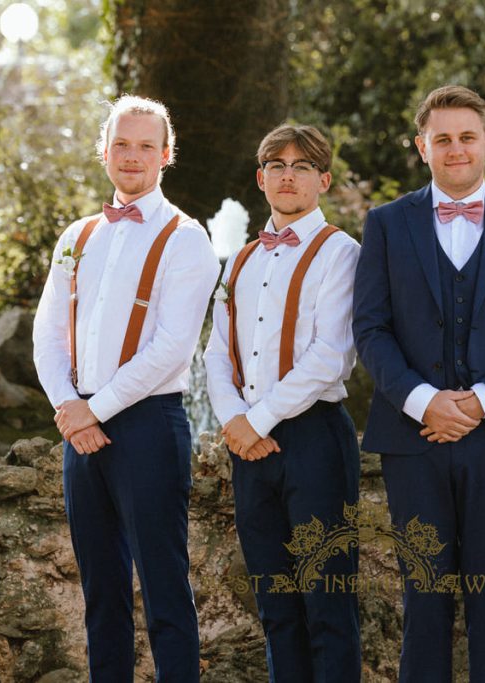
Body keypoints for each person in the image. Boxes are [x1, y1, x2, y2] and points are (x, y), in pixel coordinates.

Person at [352, 84, 485, 682]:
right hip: (412, 441)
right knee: (424, 598)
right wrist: (425, 401)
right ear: (423, 147)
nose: (456, 149)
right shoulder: (388, 225)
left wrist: (481, 401)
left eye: (467, 137)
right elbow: (370, 328)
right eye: (442, 139)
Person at [32, 94, 219, 681]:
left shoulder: (187, 238)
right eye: (121, 144)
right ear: (103, 151)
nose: (132, 156)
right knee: (100, 591)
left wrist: (93, 411)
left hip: (149, 425)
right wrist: (68, 405)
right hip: (78, 423)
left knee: (165, 590)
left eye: (145, 146)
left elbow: (171, 348)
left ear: (166, 155)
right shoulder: (78, 234)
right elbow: (46, 334)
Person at [203, 124, 361, 681]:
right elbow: (216, 353)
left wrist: (257, 420)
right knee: (275, 605)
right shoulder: (240, 260)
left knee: (327, 604)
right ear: (260, 178)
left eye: (300, 165)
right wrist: (234, 422)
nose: (287, 175)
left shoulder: (342, 252)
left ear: (323, 178)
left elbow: (329, 356)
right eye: (277, 164)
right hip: (249, 448)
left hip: (315, 438)